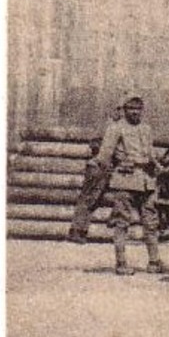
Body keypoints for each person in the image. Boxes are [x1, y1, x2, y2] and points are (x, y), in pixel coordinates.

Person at [98, 95, 169, 276]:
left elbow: (150, 152)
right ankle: (121, 263)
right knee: (122, 222)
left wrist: (158, 166)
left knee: (151, 222)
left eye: (138, 109)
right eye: (130, 108)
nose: (135, 112)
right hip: (125, 180)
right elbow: (104, 157)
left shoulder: (146, 128)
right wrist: (116, 167)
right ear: (124, 109)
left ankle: (154, 261)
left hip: (146, 180)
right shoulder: (115, 128)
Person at [68, 104, 123, 243]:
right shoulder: (108, 127)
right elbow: (95, 144)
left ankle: (80, 230)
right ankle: (76, 231)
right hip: (97, 167)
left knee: (93, 200)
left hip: (106, 169)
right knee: (87, 199)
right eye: (119, 110)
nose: (121, 114)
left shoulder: (117, 127)